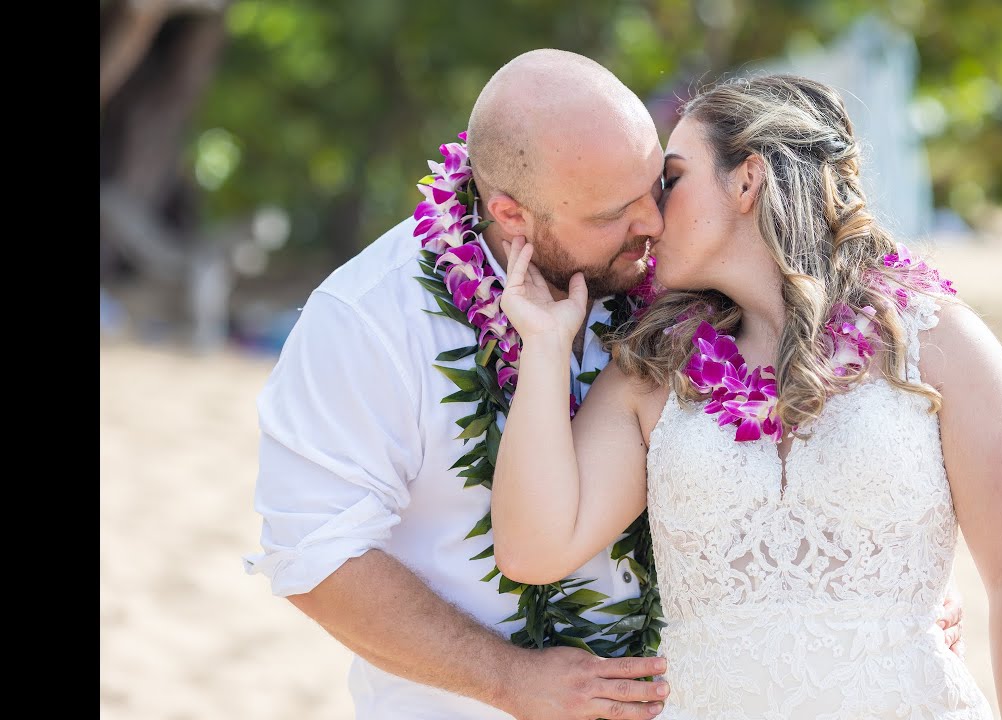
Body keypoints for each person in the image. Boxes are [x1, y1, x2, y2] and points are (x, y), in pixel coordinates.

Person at [244, 50, 963, 720]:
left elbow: (797, 437)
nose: (651, 222)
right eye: (612, 214)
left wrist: (879, 579)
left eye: (656, 185)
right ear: (511, 215)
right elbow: (316, 554)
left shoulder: (686, 281)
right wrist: (509, 679)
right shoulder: (369, 320)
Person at [491, 73, 1002, 718]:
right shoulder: (655, 369)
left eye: (672, 180)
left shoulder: (934, 340)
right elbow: (533, 549)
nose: (650, 216)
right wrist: (544, 346)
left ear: (747, 180)